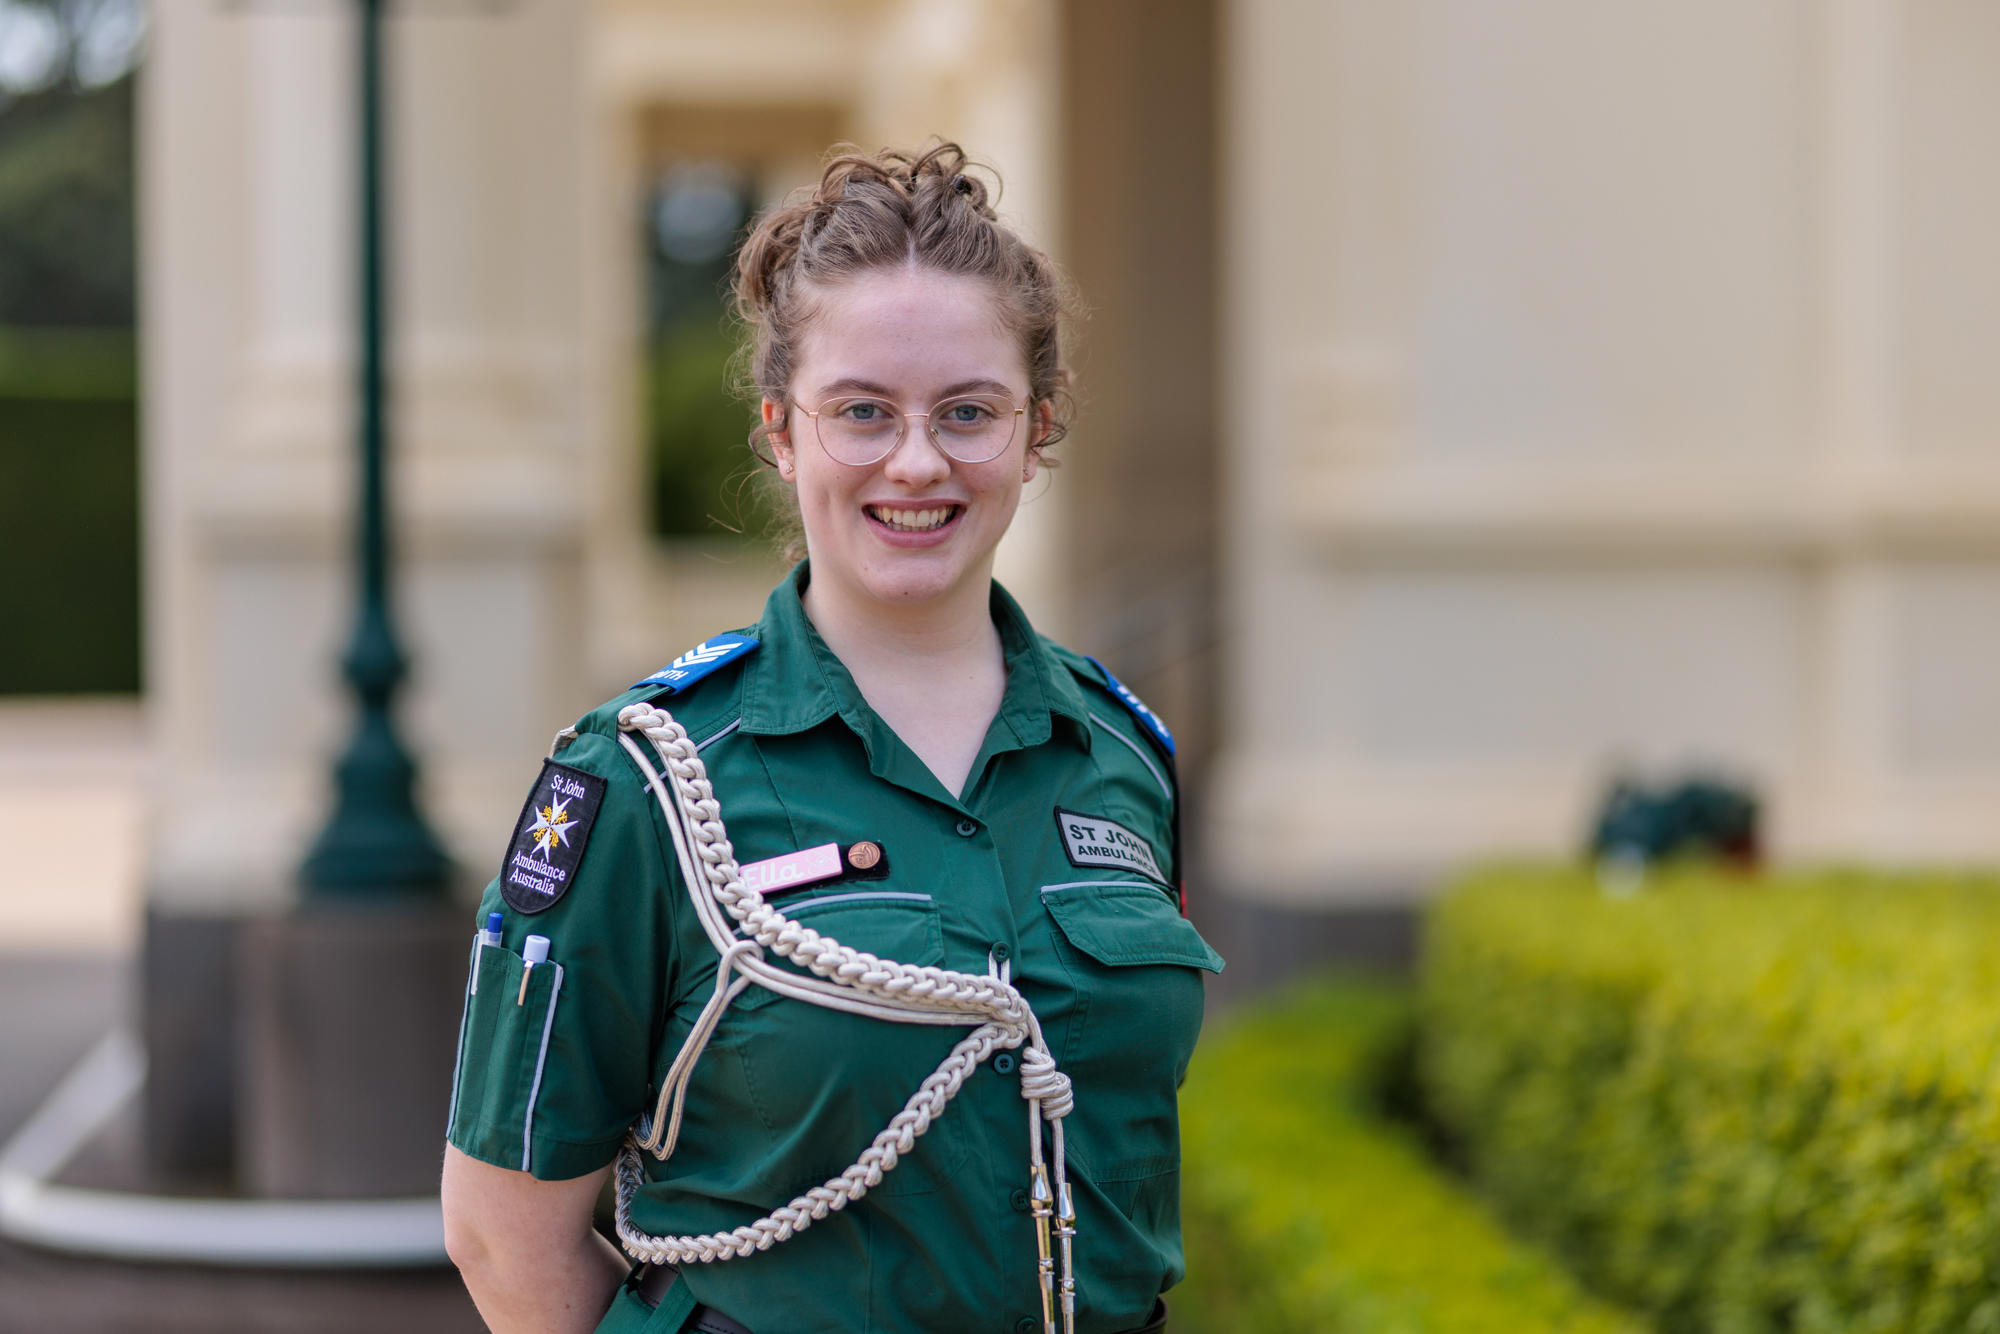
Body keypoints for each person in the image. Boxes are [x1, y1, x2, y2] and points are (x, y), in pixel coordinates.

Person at [440, 142, 1222, 1334]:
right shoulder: (642, 779)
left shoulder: (1122, 756)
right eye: (862, 411)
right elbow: (503, 1232)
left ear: (1036, 427)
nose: (917, 461)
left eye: (969, 411)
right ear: (779, 429)